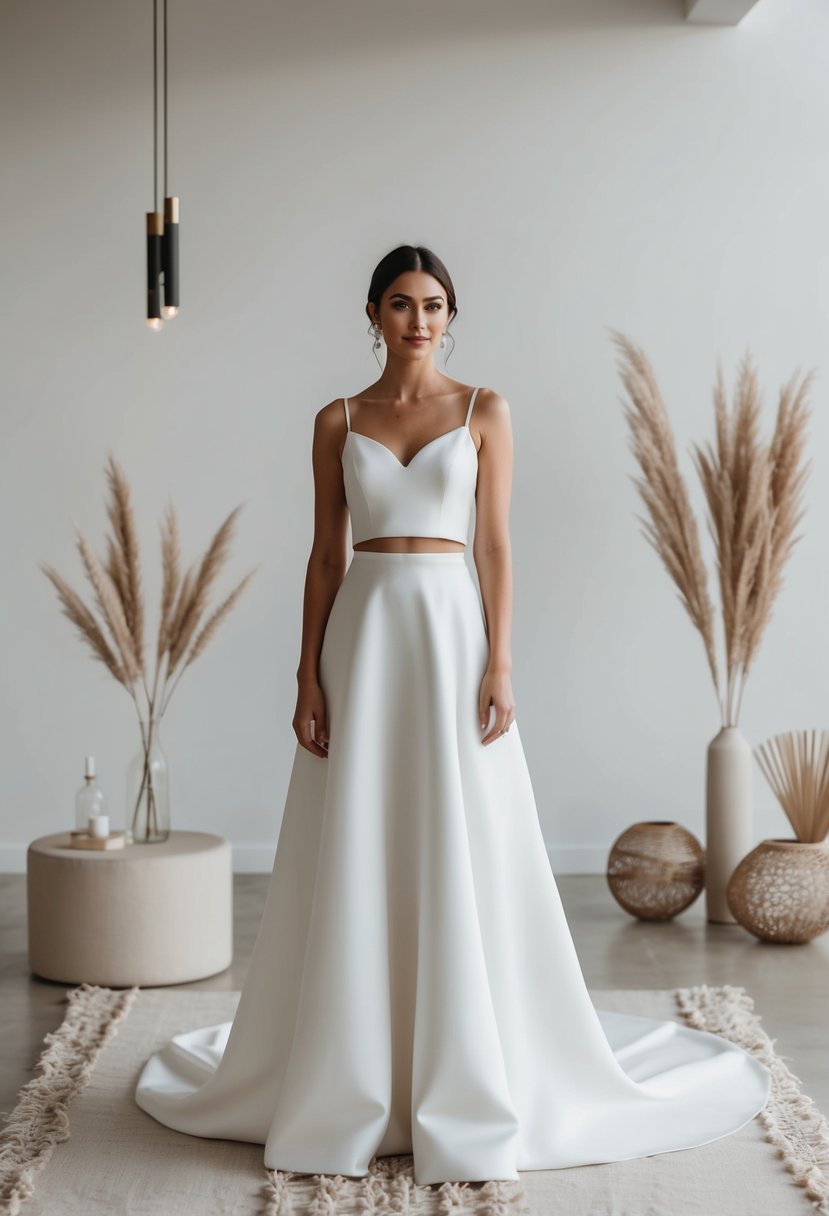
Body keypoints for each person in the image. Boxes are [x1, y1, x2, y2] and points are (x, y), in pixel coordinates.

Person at [135, 244, 771, 1187]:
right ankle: (347, 1069)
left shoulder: (485, 412)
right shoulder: (336, 420)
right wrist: (306, 675)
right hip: (364, 633)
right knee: (356, 829)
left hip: (450, 634)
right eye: (401, 304)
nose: (419, 320)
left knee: (457, 830)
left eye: (434, 305)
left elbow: (499, 547)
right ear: (372, 313)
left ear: (449, 315)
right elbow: (323, 558)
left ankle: (463, 1061)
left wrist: (501, 660)